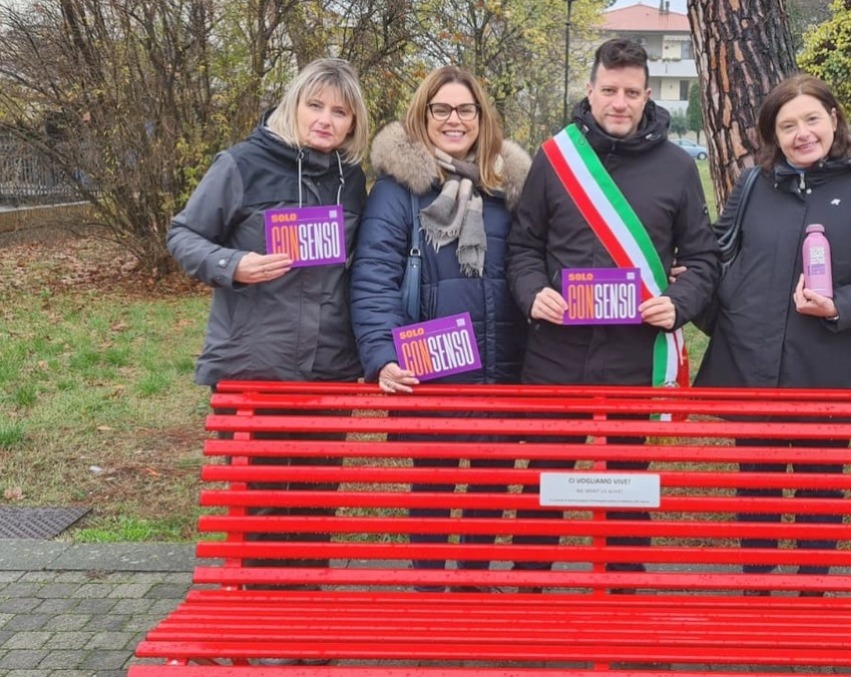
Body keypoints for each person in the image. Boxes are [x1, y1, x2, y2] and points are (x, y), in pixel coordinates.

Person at [167, 57, 369, 666]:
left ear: (353, 121)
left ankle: (302, 631)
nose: (326, 120)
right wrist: (233, 265)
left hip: (329, 369)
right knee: (256, 505)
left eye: (340, 111)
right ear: (294, 105)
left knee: (312, 503)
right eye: (317, 106)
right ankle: (251, 631)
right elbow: (183, 235)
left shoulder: (352, 181)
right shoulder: (241, 163)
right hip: (254, 366)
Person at [506, 38, 719, 579]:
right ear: (590, 90)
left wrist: (678, 304)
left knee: (627, 483)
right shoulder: (556, 158)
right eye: (609, 90)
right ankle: (529, 602)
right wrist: (533, 294)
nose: (619, 103)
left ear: (647, 95)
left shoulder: (676, 167)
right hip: (557, 353)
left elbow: (701, 259)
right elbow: (523, 246)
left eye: (630, 92)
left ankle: (625, 601)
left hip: (633, 355)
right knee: (545, 483)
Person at [694, 74, 851, 591]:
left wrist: (841, 304)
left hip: (829, 365)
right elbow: (718, 256)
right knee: (757, 488)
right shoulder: (753, 186)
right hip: (754, 362)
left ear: (834, 119)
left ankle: (811, 592)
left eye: (811, 119)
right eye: (787, 125)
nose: (801, 133)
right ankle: (758, 590)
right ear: (773, 134)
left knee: (820, 490)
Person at [350, 66, 531, 589]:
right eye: (442, 109)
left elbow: (538, 258)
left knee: (491, 485)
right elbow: (374, 277)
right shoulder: (398, 190)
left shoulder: (507, 187)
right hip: (429, 364)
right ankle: (428, 588)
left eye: (465, 109)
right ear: (423, 114)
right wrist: (382, 353)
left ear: (482, 117)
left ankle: (473, 584)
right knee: (431, 486)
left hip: (501, 361)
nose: (455, 120)